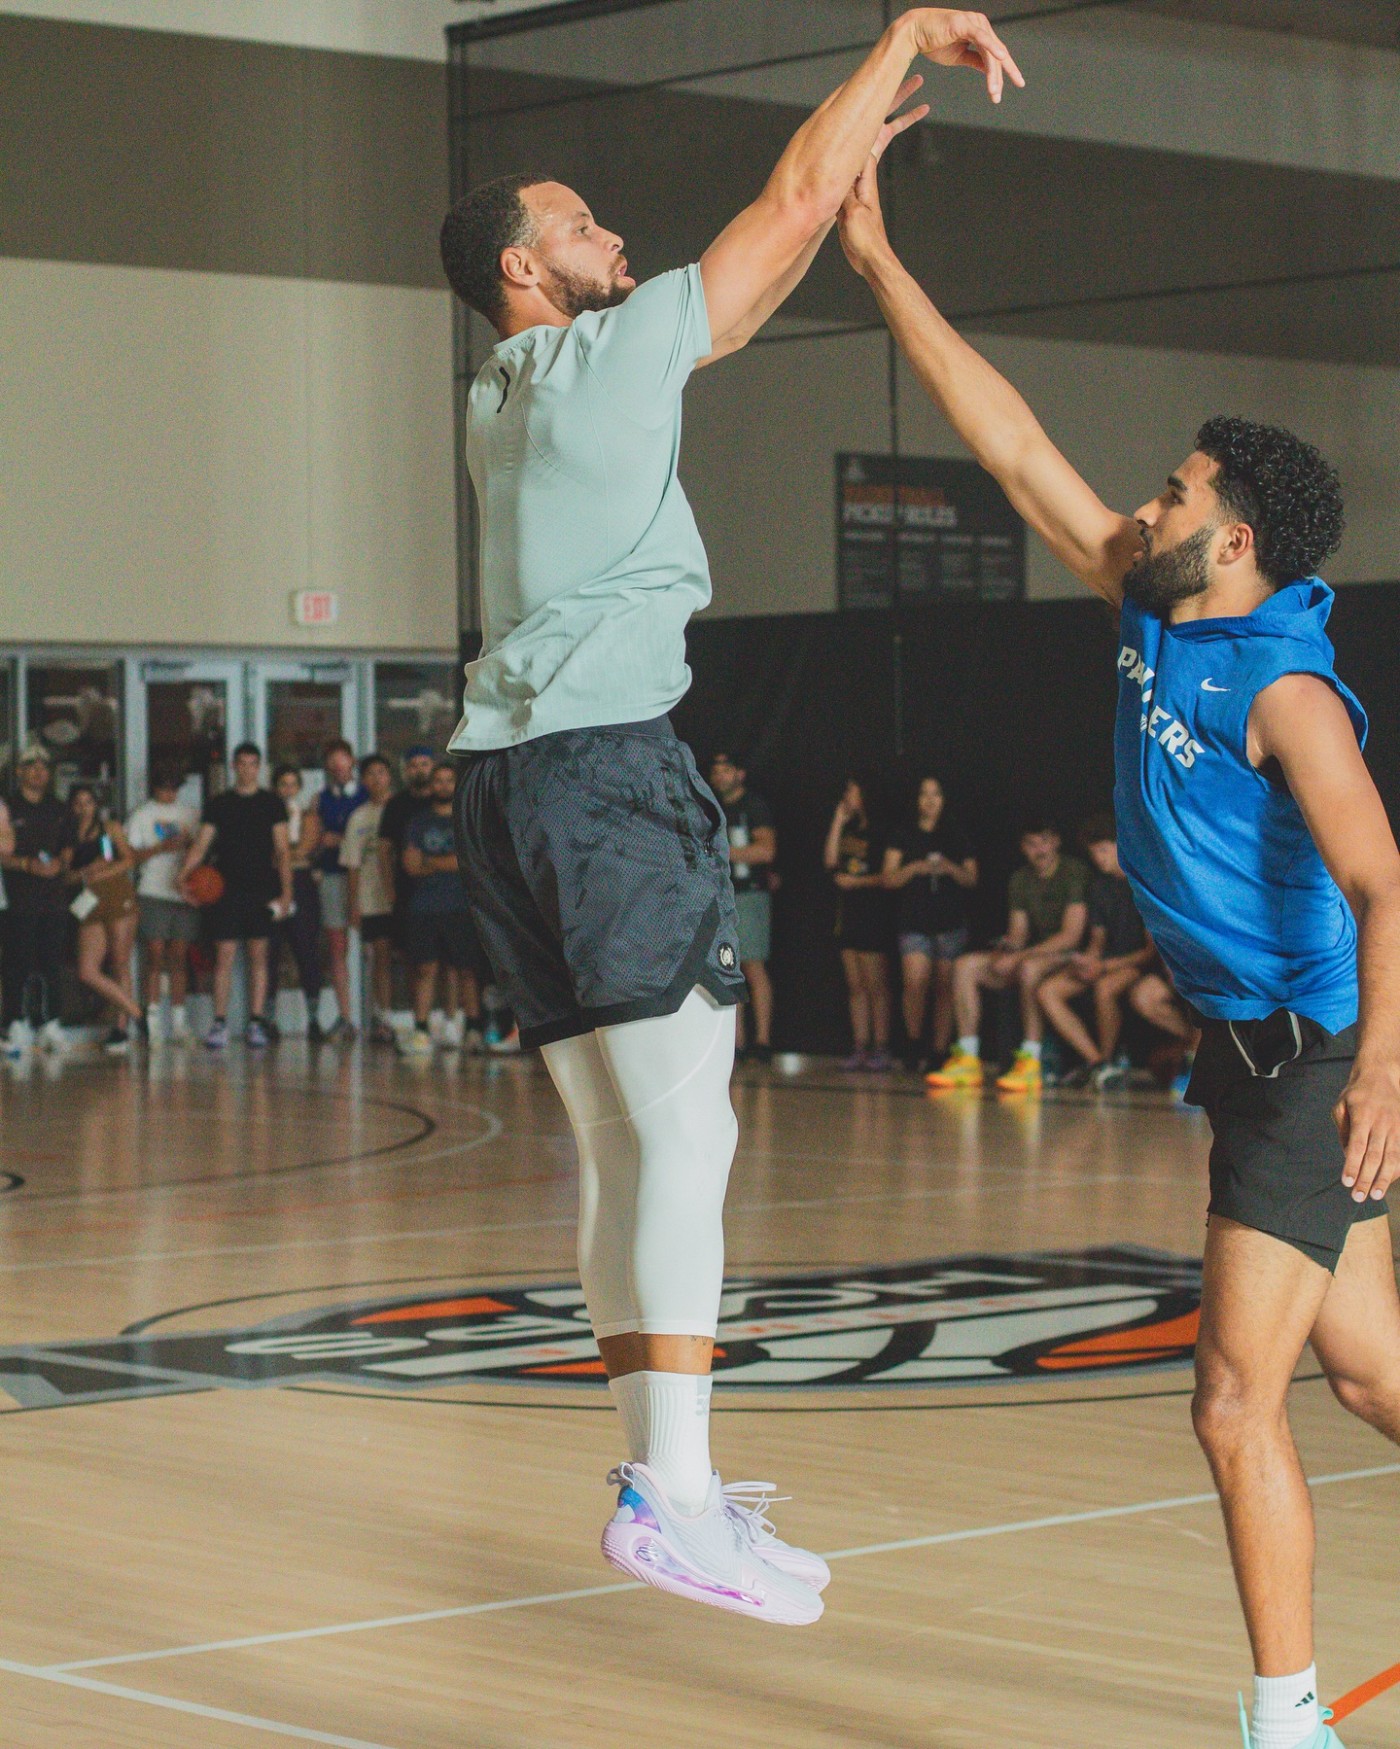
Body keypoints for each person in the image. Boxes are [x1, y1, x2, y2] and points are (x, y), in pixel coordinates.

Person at [438, 5, 1021, 1621]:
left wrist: (836, 186)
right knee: (690, 1135)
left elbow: (759, 266)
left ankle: (663, 1479)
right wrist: (898, 41)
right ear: (524, 269)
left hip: (504, 788)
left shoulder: (502, 393)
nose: (612, 236)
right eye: (580, 226)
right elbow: (781, 205)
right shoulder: (602, 354)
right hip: (607, 781)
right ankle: (677, 1493)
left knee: (623, 1151)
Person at [838, 154, 1400, 1749]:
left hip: (1317, 1063)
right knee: (1371, 1378)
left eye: (1175, 494)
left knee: (1232, 1400)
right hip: (1254, 1056)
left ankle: (1285, 1723)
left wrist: (1382, 1073)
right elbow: (1013, 445)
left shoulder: (1283, 690)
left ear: (1234, 542)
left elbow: (1385, 880)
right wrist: (875, 261)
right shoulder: (1155, 613)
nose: (1147, 506)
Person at [927, 818, 1088, 1093]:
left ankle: (1030, 1061)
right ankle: (967, 1057)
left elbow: (1070, 936)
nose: (1040, 850)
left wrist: (1020, 956)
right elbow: (1018, 934)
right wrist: (1006, 950)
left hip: (1071, 957)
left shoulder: (1074, 872)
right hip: (1033, 954)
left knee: (1028, 968)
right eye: (1031, 844)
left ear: (1056, 842)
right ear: (1022, 848)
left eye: (1045, 842)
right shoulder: (1020, 879)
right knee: (965, 965)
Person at [180, 743, 293, 1051]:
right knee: (224, 956)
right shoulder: (220, 803)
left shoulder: (272, 803)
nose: (247, 769)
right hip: (225, 889)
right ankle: (219, 1023)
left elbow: (283, 850)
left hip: (262, 888)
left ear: (260, 767)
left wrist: (287, 892)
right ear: (233, 766)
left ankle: (256, 1021)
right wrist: (183, 875)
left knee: (259, 956)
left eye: (253, 764)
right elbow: (201, 845)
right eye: (241, 763)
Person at [1036, 813, 1154, 1088]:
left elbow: (1149, 952)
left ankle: (1108, 1060)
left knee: (1104, 988)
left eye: (1103, 850)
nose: (1098, 858)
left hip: (1138, 965)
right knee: (1048, 991)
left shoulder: (1145, 884)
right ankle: (1098, 1063)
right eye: (1093, 853)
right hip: (1106, 962)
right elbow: (1097, 941)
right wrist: (1087, 961)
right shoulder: (1100, 886)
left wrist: (1103, 967)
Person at [883, 775, 977, 1070]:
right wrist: (914, 868)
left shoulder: (956, 834)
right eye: (924, 794)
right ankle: (913, 1043)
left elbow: (972, 878)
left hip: (949, 921)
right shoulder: (903, 834)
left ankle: (939, 1050)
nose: (930, 800)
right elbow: (888, 878)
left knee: (945, 987)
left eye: (936, 794)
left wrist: (949, 868)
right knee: (915, 982)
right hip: (914, 920)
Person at [398, 760, 484, 1057]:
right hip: (424, 907)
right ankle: (421, 1030)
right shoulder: (418, 822)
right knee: (425, 969)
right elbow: (410, 865)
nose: (444, 786)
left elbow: (467, 861)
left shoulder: (466, 819)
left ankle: (473, 1028)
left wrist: (430, 861)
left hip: (461, 905)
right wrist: (446, 862)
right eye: (439, 780)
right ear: (431, 785)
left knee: (466, 970)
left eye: (449, 780)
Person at [0, 748, 74, 1054]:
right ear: (19, 771)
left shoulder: (59, 808)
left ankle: (50, 1022)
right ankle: (15, 1021)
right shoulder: (8, 806)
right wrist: (27, 865)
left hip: (53, 898)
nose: (38, 770)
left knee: (51, 961)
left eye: (44, 766)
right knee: (17, 960)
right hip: (18, 897)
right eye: (31, 765)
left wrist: (60, 864)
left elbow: (68, 846)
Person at [709, 748, 777, 1062]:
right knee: (727, 967)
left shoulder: (753, 807)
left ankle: (762, 1041)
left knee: (752, 965)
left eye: (726, 770)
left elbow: (766, 851)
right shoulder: (712, 807)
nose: (720, 776)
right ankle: (736, 1042)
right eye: (716, 771)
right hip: (721, 896)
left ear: (740, 773)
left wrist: (723, 853)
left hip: (749, 894)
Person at [126, 762, 200, 1044]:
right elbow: (129, 855)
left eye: (173, 788)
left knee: (179, 957)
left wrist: (189, 845)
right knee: (155, 956)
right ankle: (153, 1020)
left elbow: (203, 847)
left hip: (184, 892)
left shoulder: (190, 813)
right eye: (164, 788)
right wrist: (160, 848)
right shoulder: (142, 815)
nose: (169, 793)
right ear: (154, 788)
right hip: (153, 890)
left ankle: (179, 1022)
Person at [824, 777, 894, 1072]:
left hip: (872, 913)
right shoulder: (850, 829)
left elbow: (889, 876)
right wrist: (838, 822)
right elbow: (830, 862)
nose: (846, 796)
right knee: (855, 986)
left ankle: (881, 1046)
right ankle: (860, 1045)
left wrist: (857, 882)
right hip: (847, 915)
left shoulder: (883, 831)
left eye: (851, 791)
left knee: (875, 985)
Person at [67, 783, 143, 1051]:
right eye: (78, 803)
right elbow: (66, 875)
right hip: (88, 901)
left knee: (120, 962)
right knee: (87, 970)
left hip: (115, 894)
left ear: (95, 805)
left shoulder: (107, 828)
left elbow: (127, 859)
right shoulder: (68, 834)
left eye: (88, 802)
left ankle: (121, 1027)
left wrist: (101, 872)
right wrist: (87, 872)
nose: (83, 808)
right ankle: (136, 1012)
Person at [342, 753, 396, 1045]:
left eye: (382, 772)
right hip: (372, 898)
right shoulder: (358, 817)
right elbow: (352, 864)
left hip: (403, 895)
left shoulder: (400, 809)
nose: (377, 778)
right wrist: (353, 905)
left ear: (390, 776)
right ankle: (384, 1017)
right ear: (363, 780)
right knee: (381, 956)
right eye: (371, 774)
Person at [268, 763, 324, 1038]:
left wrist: (283, 854)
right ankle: (269, 1019)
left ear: (299, 787)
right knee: (270, 952)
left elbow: (304, 848)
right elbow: (266, 853)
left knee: (306, 950)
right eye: (283, 784)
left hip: (302, 885)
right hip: (271, 885)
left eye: (293, 784)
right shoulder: (267, 815)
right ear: (275, 788)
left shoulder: (308, 816)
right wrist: (286, 854)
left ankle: (313, 1019)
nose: (288, 790)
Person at [314, 738, 365, 1041]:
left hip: (366, 877)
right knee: (337, 946)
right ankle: (345, 1015)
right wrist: (322, 841)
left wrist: (343, 839)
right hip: (334, 875)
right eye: (331, 761)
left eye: (342, 759)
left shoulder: (367, 795)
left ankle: (377, 1013)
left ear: (352, 762)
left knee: (371, 944)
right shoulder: (320, 799)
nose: (337, 766)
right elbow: (315, 838)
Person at [378, 743, 434, 997]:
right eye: (413, 765)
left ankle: (451, 1015)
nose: (419, 770)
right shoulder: (396, 805)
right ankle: (417, 1014)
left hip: (449, 890)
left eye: (424, 764)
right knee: (413, 957)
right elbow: (384, 851)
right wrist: (390, 889)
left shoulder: (447, 801)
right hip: (408, 892)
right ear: (405, 771)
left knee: (453, 963)